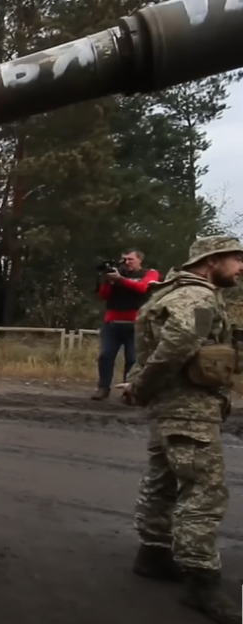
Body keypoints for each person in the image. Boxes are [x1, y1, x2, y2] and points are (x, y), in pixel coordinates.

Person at [124, 235, 243, 623]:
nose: (241, 267)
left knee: (163, 480)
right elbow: (178, 345)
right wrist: (142, 387)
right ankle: (202, 583)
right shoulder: (197, 298)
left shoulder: (169, 294)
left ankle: (154, 554)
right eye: (236, 259)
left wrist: (145, 388)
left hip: (170, 408)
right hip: (189, 410)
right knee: (204, 492)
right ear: (212, 260)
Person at [92, 249, 160, 400]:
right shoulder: (116, 275)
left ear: (139, 260)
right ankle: (103, 387)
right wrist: (107, 281)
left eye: (130, 259)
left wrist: (120, 280)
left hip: (136, 323)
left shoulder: (149, 273)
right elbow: (103, 296)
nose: (126, 263)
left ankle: (129, 391)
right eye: (124, 259)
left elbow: (143, 288)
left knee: (132, 359)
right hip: (112, 322)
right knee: (105, 356)